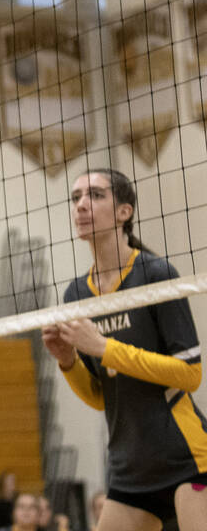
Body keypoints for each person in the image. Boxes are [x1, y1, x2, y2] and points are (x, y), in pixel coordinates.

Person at [42, 168, 207, 531]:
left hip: (187, 458)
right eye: (76, 198)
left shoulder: (156, 274)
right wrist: (68, 361)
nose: (82, 205)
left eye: (95, 195)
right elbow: (104, 397)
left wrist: (104, 346)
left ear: (124, 212)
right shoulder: (76, 296)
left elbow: (190, 375)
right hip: (130, 471)